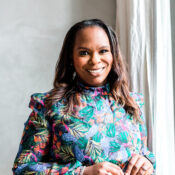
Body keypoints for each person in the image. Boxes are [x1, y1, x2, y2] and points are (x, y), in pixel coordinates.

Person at [13, 19, 156, 175]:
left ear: (113, 54)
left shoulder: (132, 103)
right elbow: (23, 169)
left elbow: (143, 154)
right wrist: (82, 172)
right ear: (71, 58)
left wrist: (147, 164)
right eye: (84, 53)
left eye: (103, 51)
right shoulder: (48, 106)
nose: (95, 60)